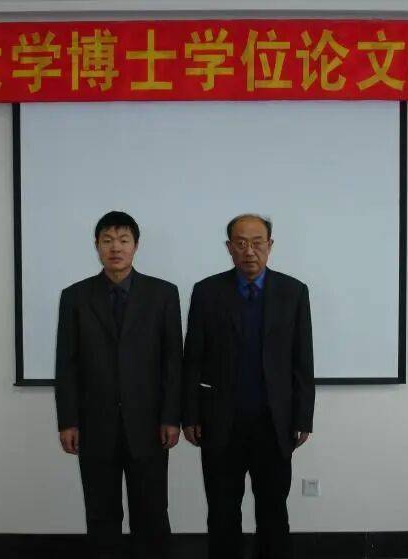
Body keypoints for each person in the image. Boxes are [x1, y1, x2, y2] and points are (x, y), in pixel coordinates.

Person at [182, 213, 315, 559]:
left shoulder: (293, 292)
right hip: (220, 422)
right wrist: (190, 414)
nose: (249, 251)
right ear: (229, 247)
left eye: (257, 243)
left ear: (270, 245)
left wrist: (303, 417)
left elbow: (303, 360)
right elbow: (192, 358)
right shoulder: (207, 292)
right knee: (222, 511)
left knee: (273, 511)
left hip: (274, 423)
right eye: (241, 243)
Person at [55, 211, 182, 559]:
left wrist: (171, 417)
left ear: (136, 246)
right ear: (96, 246)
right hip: (95, 425)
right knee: (101, 514)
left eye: (123, 240)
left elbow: (173, 361)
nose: (116, 248)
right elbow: (66, 365)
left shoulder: (163, 294)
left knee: (151, 513)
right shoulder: (75, 297)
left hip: (149, 425)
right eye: (107, 241)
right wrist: (68, 421)